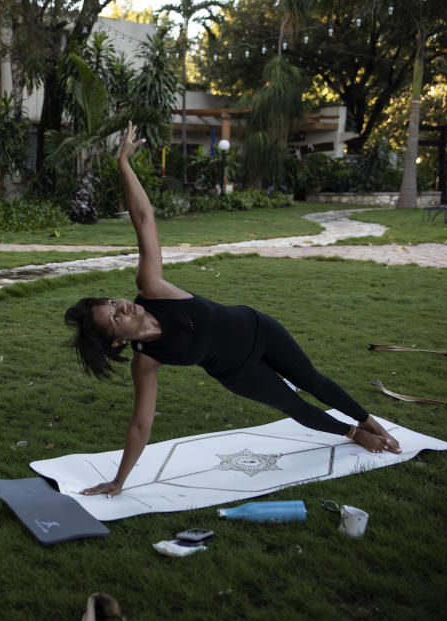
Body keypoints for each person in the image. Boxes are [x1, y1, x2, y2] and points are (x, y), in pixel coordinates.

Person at [65, 123, 401, 498]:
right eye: (114, 318)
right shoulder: (145, 361)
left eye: (113, 303)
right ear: (115, 343)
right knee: (294, 405)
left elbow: (144, 220)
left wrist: (124, 164)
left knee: (314, 382)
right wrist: (119, 481)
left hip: (258, 328)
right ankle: (354, 434)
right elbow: (140, 427)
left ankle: (370, 420)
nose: (122, 307)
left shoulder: (152, 287)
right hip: (238, 373)